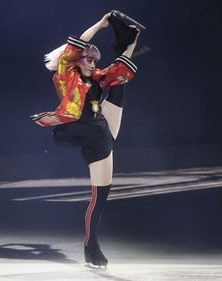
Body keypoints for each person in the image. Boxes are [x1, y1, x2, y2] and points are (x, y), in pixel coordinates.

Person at [41, 12, 140, 268]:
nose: (93, 63)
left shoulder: (97, 78)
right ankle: (91, 246)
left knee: (101, 196)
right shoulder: (65, 74)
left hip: (101, 133)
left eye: (96, 59)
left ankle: (90, 246)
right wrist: (102, 24)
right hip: (82, 129)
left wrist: (131, 43)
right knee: (99, 121)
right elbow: (76, 46)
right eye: (88, 58)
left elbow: (119, 74)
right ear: (76, 60)